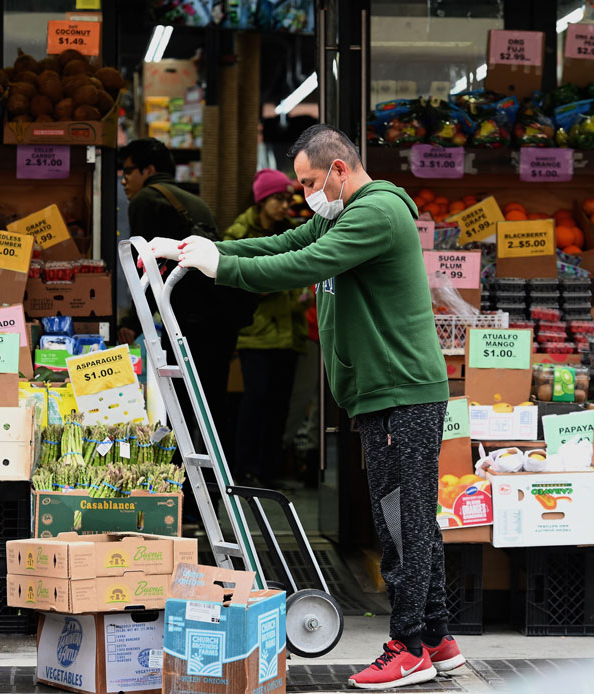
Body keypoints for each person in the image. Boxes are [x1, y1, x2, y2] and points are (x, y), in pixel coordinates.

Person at [148, 124, 458, 690]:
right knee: (411, 518)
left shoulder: (376, 211)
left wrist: (225, 271)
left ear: (339, 170)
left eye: (312, 182)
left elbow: (304, 266)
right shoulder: (340, 212)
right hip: (383, 390)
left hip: (401, 391)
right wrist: (205, 251)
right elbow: (285, 244)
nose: (308, 194)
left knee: (401, 524)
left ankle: (409, 646)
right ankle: (436, 634)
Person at [117, 138, 241, 445]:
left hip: (190, 322)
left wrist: (132, 322)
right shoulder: (191, 199)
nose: (123, 180)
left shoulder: (147, 199)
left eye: (127, 171)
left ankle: (180, 485)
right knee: (212, 403)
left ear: (148, 170)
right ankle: (220, 483)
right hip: (218, 318)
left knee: (181, 406)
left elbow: (149, 267)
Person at [223, 169, 307, 485]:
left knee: (279, 404)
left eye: (288, 199)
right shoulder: (239, 233)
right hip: (255, 332)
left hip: (289, 331)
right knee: (255, 401)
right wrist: (264, 283)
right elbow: (229, 277)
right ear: (261, 200)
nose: (284, 205)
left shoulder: (293, 232)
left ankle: (269, 472)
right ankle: (242, 469)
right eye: (278, 199)